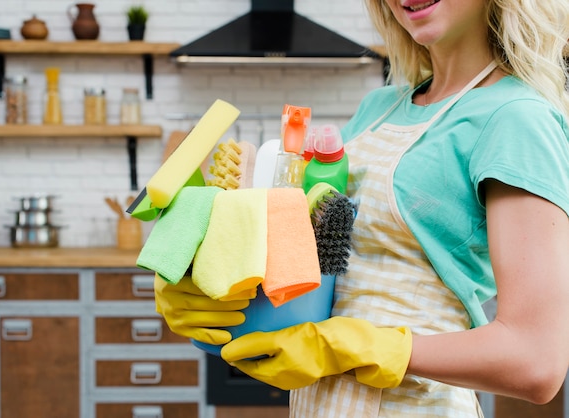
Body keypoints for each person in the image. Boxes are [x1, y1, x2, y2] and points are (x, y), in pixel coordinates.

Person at [154, 0, 569, 416]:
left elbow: (536, 361)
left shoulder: (517, 119)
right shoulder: (378, 109)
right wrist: (209, 286)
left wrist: (358, 347)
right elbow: (321, 269)